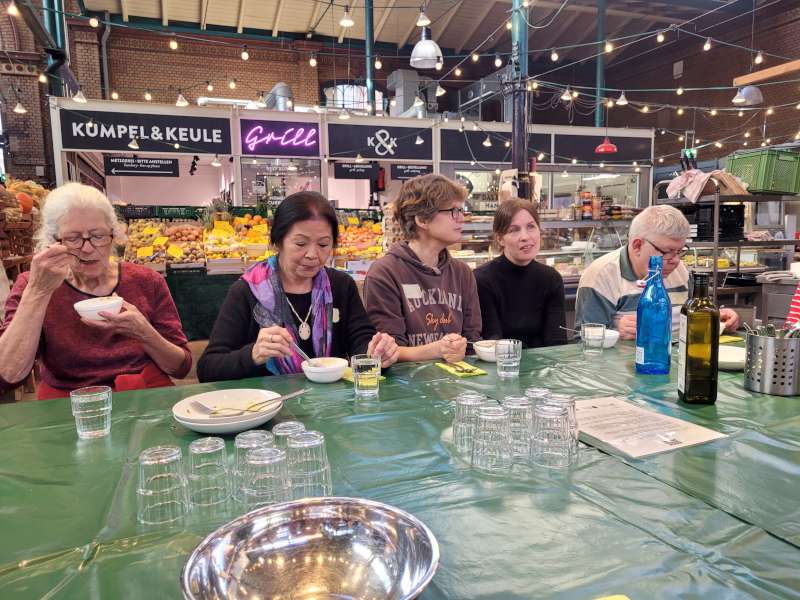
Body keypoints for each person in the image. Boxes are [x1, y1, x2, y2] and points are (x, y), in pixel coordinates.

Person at [0, 183, 191, 399]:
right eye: (73, 238)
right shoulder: (34, 284)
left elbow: (181, 368)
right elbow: (8, 376)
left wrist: (144, 333)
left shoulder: (147, 281)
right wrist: (37, 292)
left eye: (98, 235)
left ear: (113, 235)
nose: (88, 248)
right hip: (70, 406)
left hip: (143, 399)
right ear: (53, 241)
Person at [197, 191, 398, 382]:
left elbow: (361, 342)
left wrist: (377, 353)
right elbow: (208, 369)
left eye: (323, 244)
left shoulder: (340, 286)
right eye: (300, 244)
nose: (312, 254)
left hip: (331, 406)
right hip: (268, 407)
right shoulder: (247, 291)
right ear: (278, 241)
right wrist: (253, 354)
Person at [575, 204, 740, 340]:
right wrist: (616, 332)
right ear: (637, 245)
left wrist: (715, 317)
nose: (675, 260)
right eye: (666, 252)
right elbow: (582, 341)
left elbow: (692, 317)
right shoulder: (601, 276)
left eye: (680, 251)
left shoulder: (679, 271)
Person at [364, 174, 482, 363]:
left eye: (461, 210)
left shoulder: (462, 273)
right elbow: (388, 351)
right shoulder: (385, 273)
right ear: (422, 220)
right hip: (405, 387)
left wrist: (462, 348)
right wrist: (437, 350)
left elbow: (472, 340)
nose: (461, 218)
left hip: (456, 384)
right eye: (453, 211)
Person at [474, 199, 567, 348]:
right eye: (514, 230)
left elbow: (557, 342)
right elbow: (493, 341)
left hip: (544, 366)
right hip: (502, 365)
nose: (525, 237)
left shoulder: (551, 278)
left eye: (531, 227)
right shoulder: (482, 280)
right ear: (500, 239)